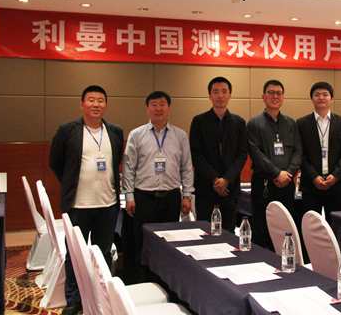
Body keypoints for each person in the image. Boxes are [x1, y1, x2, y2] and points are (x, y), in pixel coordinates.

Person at [49, 85, 124, 315]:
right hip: (78, 205)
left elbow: (116, 162)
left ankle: (101, 294)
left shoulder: (115, 132)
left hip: (108, 205)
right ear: (82, 105)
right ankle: (74, 299)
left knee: (103, 253)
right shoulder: (67, 130)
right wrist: (71, 183)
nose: (96, 104)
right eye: (91, 100)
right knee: (74, 255)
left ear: (106, 106)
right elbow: (55, 162)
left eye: (100, 100)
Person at [122, 91, 194, 282]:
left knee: (168, 244)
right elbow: (129, 168)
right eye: (153, 104)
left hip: (171, 198)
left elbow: (187, 168)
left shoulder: (180, 136)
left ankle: (165, 283)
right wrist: (129, 196)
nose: (158, 108)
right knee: (143, 244)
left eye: (162, 104)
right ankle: (143, 283)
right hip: (143, 198)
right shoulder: (136, 135)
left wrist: (187, 196)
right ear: (148, 109)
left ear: (169, 108)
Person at [247, 80, 302, 249]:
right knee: (261, 229)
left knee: (285, 228)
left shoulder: (290, 123)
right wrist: (277, 173)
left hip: (286, 184)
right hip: (263, 184)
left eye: (279, 93)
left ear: (283, 97)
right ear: (263, 97)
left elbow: (298, 151)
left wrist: (288, 174)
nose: (275, 96)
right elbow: (255, 153)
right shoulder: (254, 124)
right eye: (271, 92)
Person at [190, 77, 248, 233]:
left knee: (228, 232)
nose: (220, 95)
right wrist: (215, 180)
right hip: (206, 188)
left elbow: (242, 154)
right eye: (215, 92)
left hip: (230, 189)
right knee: (204, 232)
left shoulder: (239, 123)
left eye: (224, 91)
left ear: (230, 95)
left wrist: (226, 180)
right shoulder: (199, 121)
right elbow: (196, 155)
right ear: (209, 96)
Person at [296, 81, 341, 223]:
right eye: (317, 94)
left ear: (331, 99)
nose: (321, 97)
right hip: (311, 185)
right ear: (312, 99)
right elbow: (300, 154)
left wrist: (335, 176)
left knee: (337, 226)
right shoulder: (302, 123)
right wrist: (314, 177)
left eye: (325, 94)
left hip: (336, 185)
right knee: (311, 225)